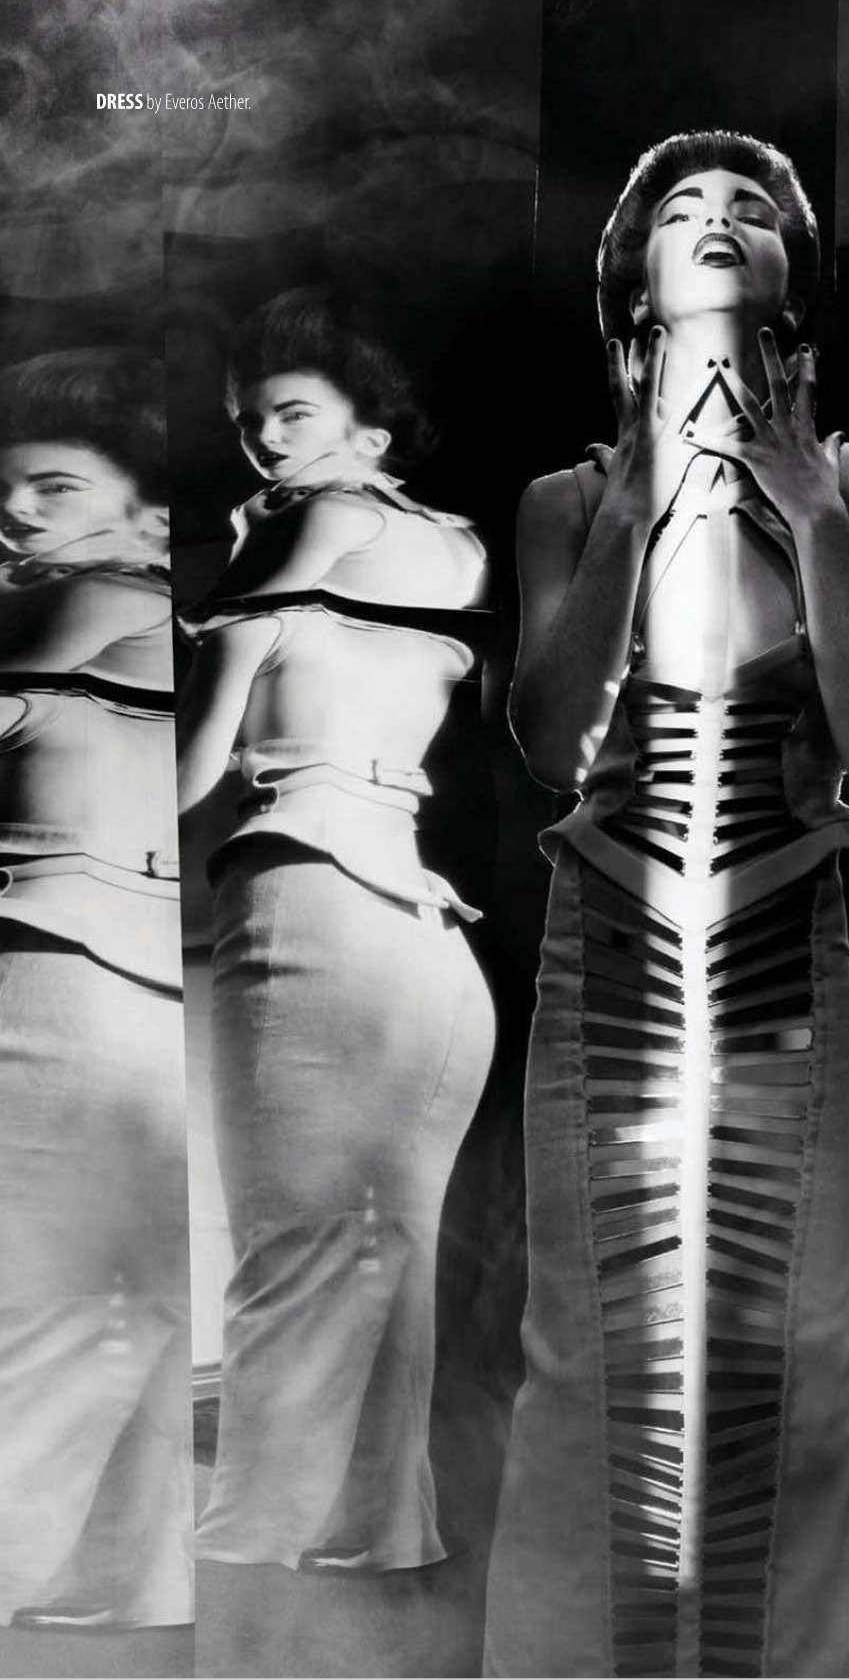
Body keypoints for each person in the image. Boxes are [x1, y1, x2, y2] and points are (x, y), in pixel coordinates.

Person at [484, 130, 849, 1679]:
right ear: (635, 277)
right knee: (583, 1356)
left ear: (792, 270)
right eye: (683, 208)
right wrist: (632, 507)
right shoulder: (564, 497)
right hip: (605, 946)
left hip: (788, 942)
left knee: (799, 1354)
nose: (720, 219)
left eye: (752, 207)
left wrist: (808, 515)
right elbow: (550, 739)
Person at [177, 288, 495, 1572]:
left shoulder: (300, 533)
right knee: (382, 1267)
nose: (264, 442)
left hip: (308, 892)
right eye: (251, 423)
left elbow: (182, 776)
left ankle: (242, 1576)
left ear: (372, 428)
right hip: (422, 932)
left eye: (292, 413)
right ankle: (373, 1566)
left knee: (290, 1261)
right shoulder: (453, 548)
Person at [0, 347, 190, 1629]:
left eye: (54, 487)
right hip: (128, 990)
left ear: (148, 511)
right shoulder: (153, 610)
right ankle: (122, 1589)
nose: (17, 514)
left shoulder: (89, 598)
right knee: (124, 1307)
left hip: (59, 983)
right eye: (5, 494)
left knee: (50, 1312)